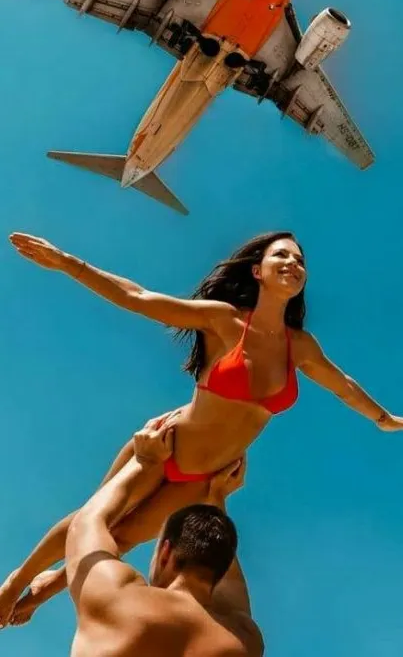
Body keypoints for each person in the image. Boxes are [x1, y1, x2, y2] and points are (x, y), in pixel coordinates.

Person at [1, 229, 402, 627]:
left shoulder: (301, 347)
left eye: (299, 261)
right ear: (257, 271)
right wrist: (67, 263)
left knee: (119, 541)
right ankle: (13, 583)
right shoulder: (222, 320)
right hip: (166, 446)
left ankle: (47, 589)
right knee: (94, 518)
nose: (293, 264)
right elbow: (138, 298)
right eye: (281, 256)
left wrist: (385, 419)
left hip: (203, 478)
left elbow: (344, 386)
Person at [66, 419, 263, 657]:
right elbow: (233, 595)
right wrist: (215, 499)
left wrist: (142, 462)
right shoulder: (243, 640)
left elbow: (86, 521)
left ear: (166, 552)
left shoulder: (117, 598)